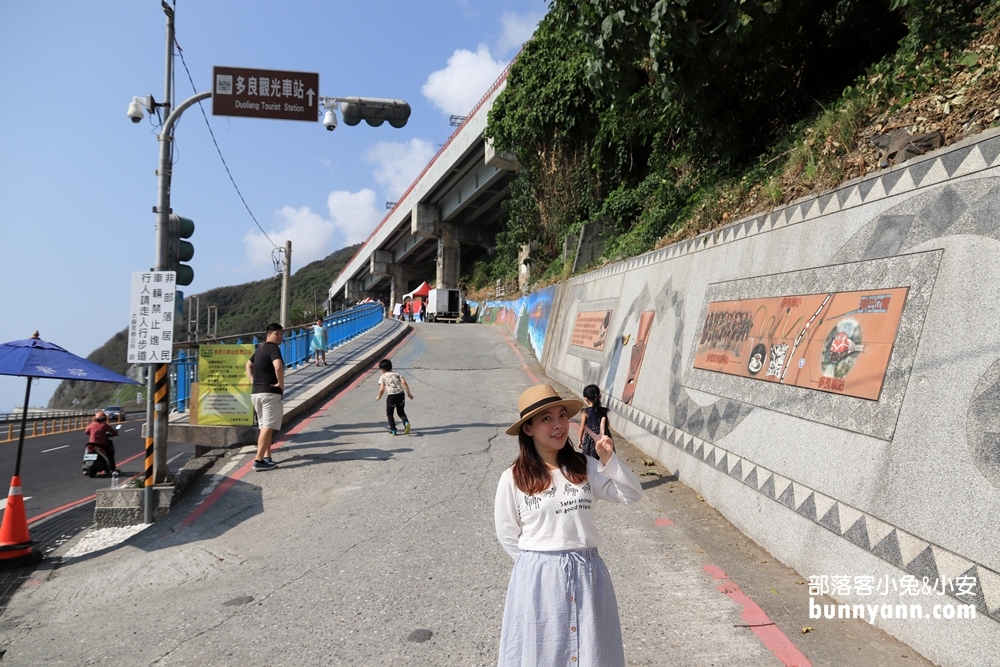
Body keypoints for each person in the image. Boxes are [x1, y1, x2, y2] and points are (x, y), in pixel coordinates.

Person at [494, 384, 642, 667]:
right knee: (544, 653)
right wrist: (539, 564)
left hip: (588, 572)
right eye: (546, 419)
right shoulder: (513, 478)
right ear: (528, 429)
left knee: (590, 650)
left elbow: (631, 494)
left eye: (562, 415)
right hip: (539, 578)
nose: (558, 425)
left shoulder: (585, 466)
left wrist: (609, 460)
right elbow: (507, 533)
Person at [245, 323, 284, 471]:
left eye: (281, 334)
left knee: (264, 426)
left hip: (256, 393)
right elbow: (278, 366)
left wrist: (253, 381)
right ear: (269, 334)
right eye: (277, 334)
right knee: (267, 427)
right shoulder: (274, 349)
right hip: (270, 393)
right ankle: (259, 460)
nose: (280, 336)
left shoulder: (260, 348)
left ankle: (267, 457)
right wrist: (280, 383)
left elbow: (248, 365)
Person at [375, 358, 413, 435]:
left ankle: (393, 430)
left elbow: (382, 389)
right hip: (400, 394)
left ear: (382, 369)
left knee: (390, 414)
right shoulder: (397, 374)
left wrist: (379, 396)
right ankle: (406, 423)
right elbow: (404, 382)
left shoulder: (383, 377)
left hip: (391, 396)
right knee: (401, 411)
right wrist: (409, 393)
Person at [577, 383, 613, 460]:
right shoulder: (603, 410)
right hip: (604, 435)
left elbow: (582, 427)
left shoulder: (585, 412)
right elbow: (608, 424)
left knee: (591, 459)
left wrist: (580, 440)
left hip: (591, 438)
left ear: (586, 399)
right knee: (605, 457)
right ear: (600, 396)